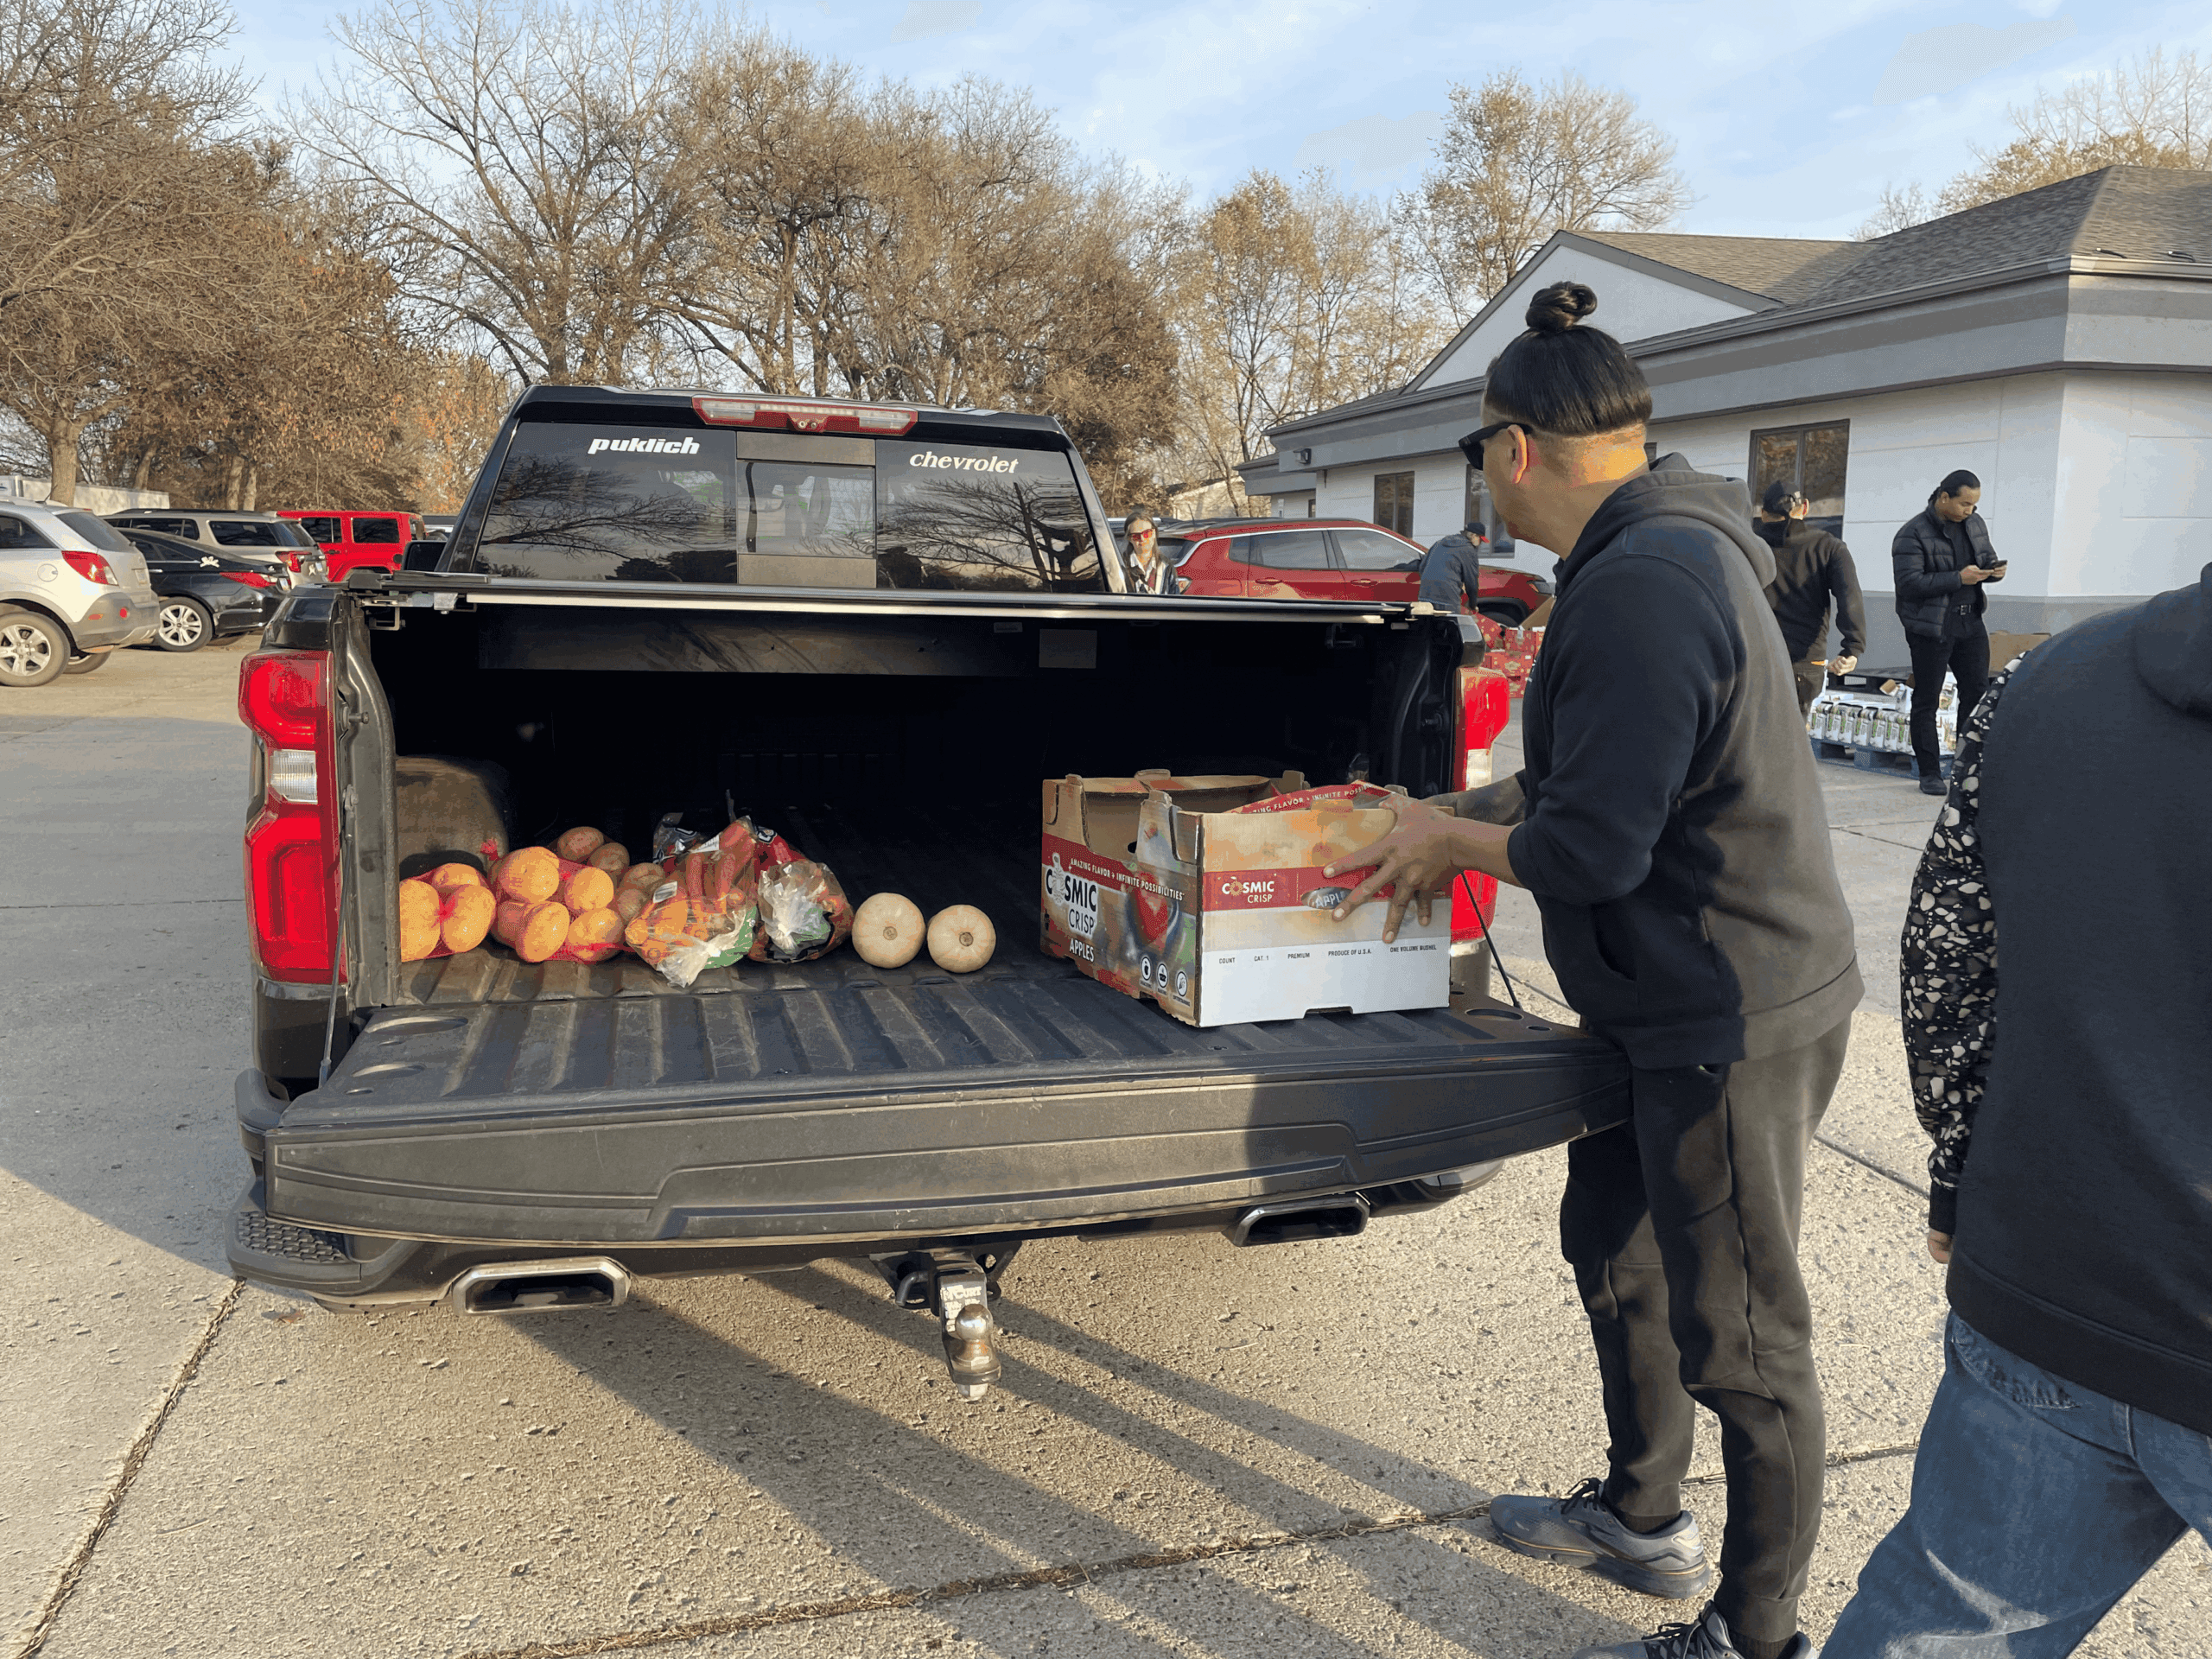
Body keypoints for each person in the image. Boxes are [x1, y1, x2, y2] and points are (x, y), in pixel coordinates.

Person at [1320, 281, 1859, 1659]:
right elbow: (1584, 788)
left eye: (1476, 466)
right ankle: (1639, 1514)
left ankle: (1753, 1633)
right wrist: (1456, 810)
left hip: (1724, 1009)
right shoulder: (1654, 552)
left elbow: (1598, 849)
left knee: (1744, 1334)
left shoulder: (1646, 584)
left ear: (1512, 451)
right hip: (1653, 999)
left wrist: (1451, 834)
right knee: (1618, 1253)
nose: (1482, 497)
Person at [1821, 562, 2212, 1656]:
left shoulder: (2049, 677)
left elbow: (1947, 960)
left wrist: (1959, 1168)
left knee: (1939, 1630)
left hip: (2046, 1276)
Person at [1891, 472, 2004, 794]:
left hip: (1971, 621)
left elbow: (1985, 558)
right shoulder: (1912, 533)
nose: (1970, 509)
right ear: (1944, 497)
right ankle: (1929, 773)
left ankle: (1967, 768)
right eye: (1965, 503)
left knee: (1977, 694)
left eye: (1975, 504)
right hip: (1931, 626)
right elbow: (1909, 584)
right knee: (1928, 698)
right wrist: (1958, 578)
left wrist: (1994, 571)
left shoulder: (1975, 524)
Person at [1755, 482, 1864, 716]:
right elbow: (1849, 595)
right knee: (1793, 736)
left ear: (1763, 514)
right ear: (1804, 508)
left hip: (1752, 658)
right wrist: (1852, 647)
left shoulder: (1748, 545)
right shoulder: (1828, 547)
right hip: (1805, 662)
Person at [1421, 518, 1488, 612]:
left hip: (1425, 595)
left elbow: (1422, 567)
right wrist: (1473, 605)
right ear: (1473, 536)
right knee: (1451, 625)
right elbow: (1471, 582)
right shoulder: (1468, 550)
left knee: (1429, 625)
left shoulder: (1440, 543)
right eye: (1480, 540)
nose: (1480, 544)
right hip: (1447, 597)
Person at [1122, 513, 1180, 594]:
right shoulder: (1120, 567)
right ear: (1129, 539)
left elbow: (1175, 602)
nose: (1142, 539)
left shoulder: (1167, 567)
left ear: (1154, 533)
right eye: (1136, 536)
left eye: (1147, 533)